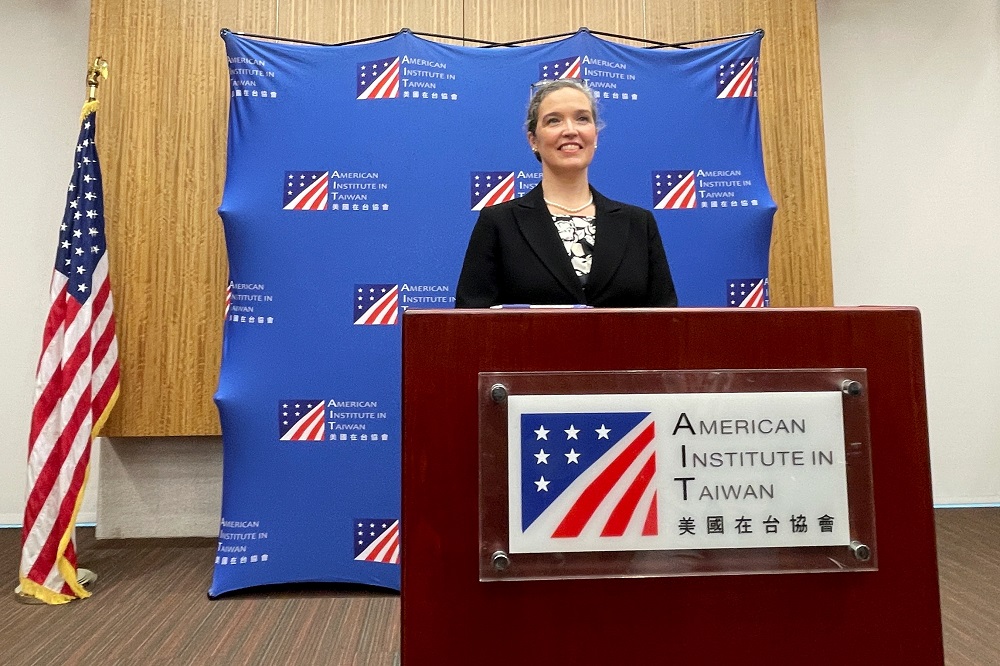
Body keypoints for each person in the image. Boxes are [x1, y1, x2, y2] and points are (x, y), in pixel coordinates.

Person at [455, 78, 677, 308]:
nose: (570, 130)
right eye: (554, 121)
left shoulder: (638, 224)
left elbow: (668, 322)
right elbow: (471, 324)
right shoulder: (499, 223)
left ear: (595, 134)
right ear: (533, 140)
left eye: (582, 118)